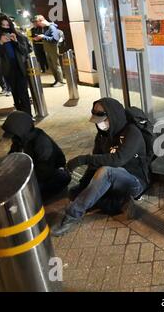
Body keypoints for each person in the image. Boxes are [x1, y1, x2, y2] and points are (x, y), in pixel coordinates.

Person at [51, 98, 150, 237]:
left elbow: (117, 160)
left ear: (113, 116)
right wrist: (82, 185)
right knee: (76, 193)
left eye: (103, 120)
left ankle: (72, 216)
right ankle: (119, 202)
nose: (100, 125)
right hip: (111, 181)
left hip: (134, 181)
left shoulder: (132, 133)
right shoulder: (102, 136)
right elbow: (94, 163)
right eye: (98, 122)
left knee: (106, 171)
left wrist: (82, 159)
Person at [2, 111, 71, 200]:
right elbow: (13, 157)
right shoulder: (20, 139)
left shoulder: (41, 143)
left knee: (27, 196)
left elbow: (44, 171)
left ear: (21, 131)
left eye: (13, 135)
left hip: (51, 174)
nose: (12, 138)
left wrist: (23, 181)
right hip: (35, 171)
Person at [0, 15, 32, 116]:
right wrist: (1, 42)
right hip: (8, 69)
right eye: (3, 25)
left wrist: (16, 42)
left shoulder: (18, 35)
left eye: (7, 24)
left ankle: (28, 115)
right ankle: (20, 116)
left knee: (23, 93)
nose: (5, 27)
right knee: (15, 93)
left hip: (20, 67)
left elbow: (25, 50)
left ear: (10, 24)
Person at [33, 15, 65, 87]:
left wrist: (43, 36)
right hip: (48, 49)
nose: (38, 25)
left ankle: (60, 81)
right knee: (52, 66)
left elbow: (55, 39)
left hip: (53, 49)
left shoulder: (51, 27)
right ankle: (57, 80)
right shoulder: (45, 28)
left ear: (41, 20)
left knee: (56, 65)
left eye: (38, 23)